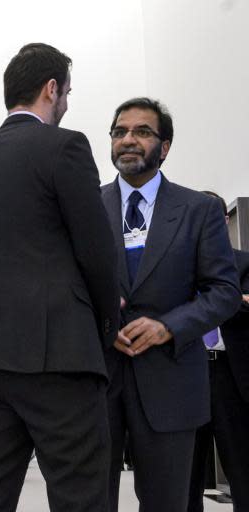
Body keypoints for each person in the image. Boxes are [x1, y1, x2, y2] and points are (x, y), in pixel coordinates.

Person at [0, 43, 120, 512]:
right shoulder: (65, 146)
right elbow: (97, 253)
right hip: (60, 356)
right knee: (80, 494)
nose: (67, 102)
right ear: (51, 89)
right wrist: (106, 329)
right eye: (66, 92)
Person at [101, 98, 241, 511]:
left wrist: (167, 326)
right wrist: (103, 320)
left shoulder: (198, 211)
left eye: (142, 132)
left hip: (171, 381)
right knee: (88, 502)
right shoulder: (84, 207)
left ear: (164, 147)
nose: (128, 140)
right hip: (97, 382)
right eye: (119, 132)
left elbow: (224, 291)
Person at [188, 191, 249, 512]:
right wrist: (236, 300)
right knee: (185, 480)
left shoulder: (244, 262)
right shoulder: (177, 267)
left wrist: (215, 301)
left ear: (225, 220)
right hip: (185, 374)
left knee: (242, 470)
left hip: (231, 377)